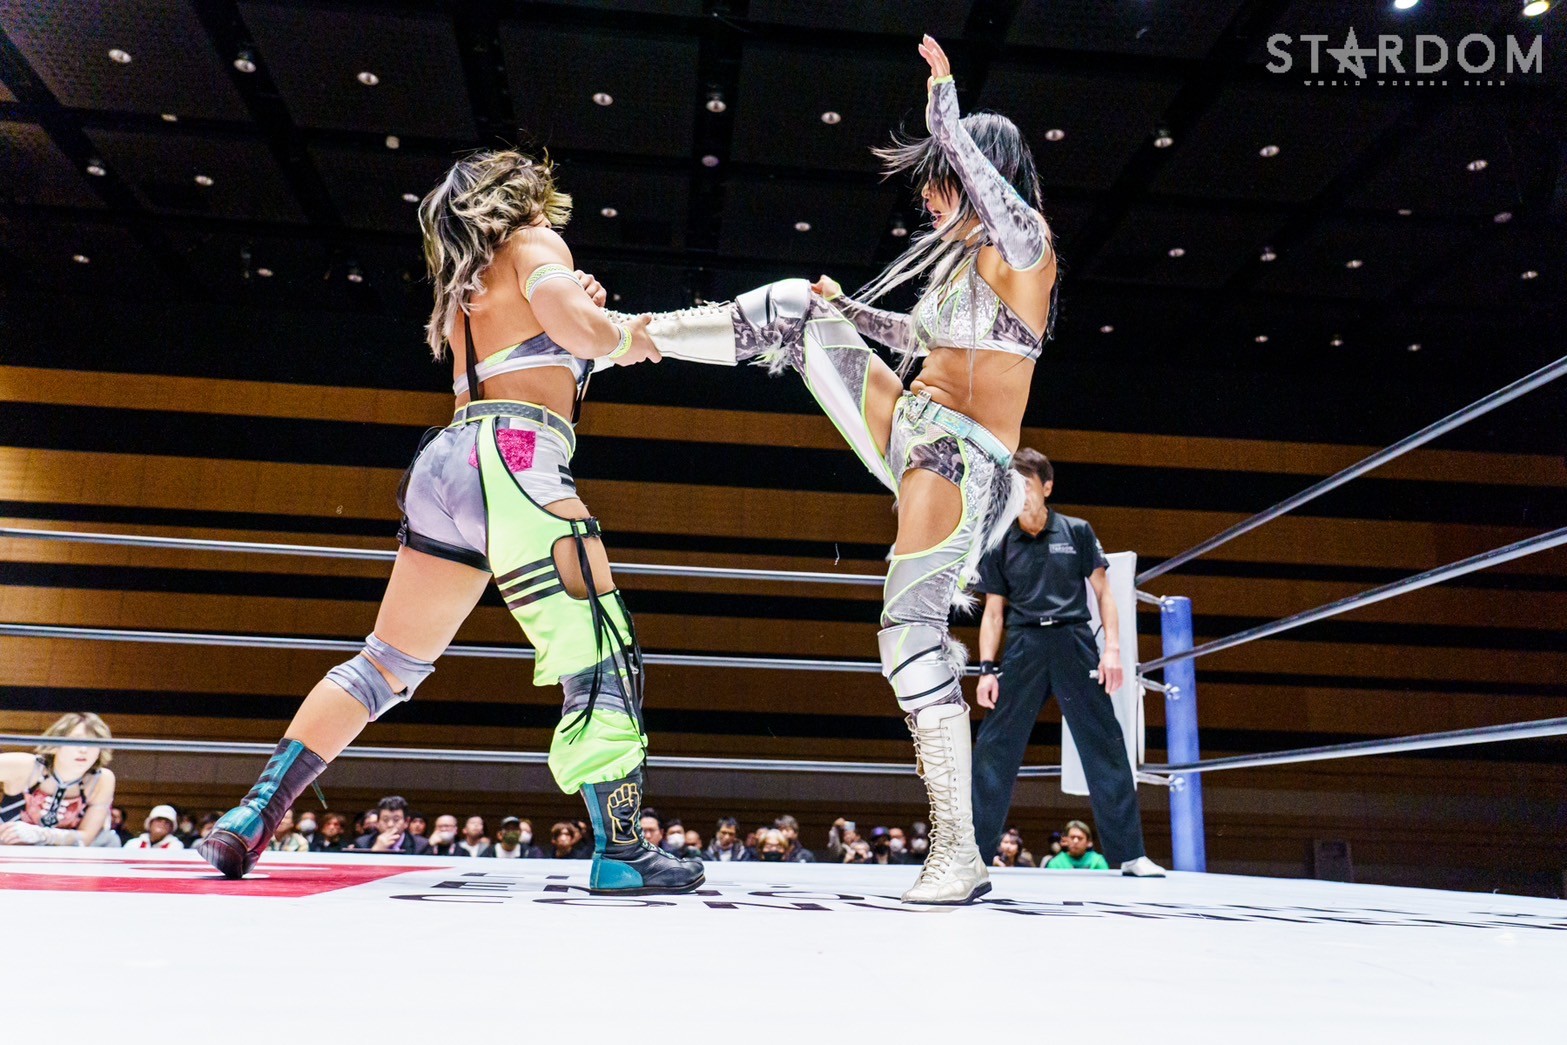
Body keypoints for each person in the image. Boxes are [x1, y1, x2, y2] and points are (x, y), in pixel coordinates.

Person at [193, 149, 701, 896]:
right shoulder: (536, 244)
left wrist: (595, 321)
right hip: (517, 456)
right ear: (526, 196)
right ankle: (622, 847)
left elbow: (560, 344)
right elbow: (592, 338)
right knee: (599, 646)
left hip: (446, 464)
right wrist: (651, 331)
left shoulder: (468, 282)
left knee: (385, 663)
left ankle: (253, 813)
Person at [632, 37, 1051, 905]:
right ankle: (635, 338)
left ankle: (958, 851)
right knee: (794, 304)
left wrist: (945, 110)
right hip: (911, 424)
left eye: (939, 181)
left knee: (909, 634)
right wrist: (845, 311)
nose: (928, 199)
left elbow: (991, 199)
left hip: (955, 458)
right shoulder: (961, 271)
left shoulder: (1026, 249)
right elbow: (915, 341)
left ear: (974, 172)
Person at [970, 449, 1164, 877]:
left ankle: (1130, 854)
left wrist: (1112, 650)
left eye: (1026, 484)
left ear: (1047, 487)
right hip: (1023, 645)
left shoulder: (1076, 531)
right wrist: (986, 669)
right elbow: (993, 612)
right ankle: (975, 854)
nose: (1020, 493)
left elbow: (1105, 594)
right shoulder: (999, 539)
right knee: (993, 747)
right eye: (1012, 485)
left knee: (1104, 743)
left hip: (1073, 642)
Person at [0, 712, 116, 847]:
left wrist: (42, 834)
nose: (84, 749)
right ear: (55, 744)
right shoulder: (26, 766)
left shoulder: (102, 780)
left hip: (61, 859)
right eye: (76, 741)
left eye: (93, 743)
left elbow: (86, 838)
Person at [348, 796, 431, 855]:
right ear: (377, 823)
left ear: (406, 822)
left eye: (396, 820)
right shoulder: (362, 844)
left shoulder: (422, 846)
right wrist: (375, 852)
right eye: (385, 820)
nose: (390, 825)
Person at [1045, 820, 1110, 871]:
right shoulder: (1055, 863)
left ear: (1088, 843)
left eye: (1080, 838)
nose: (1075, 841)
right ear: (1066, 841)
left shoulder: (1097, 862)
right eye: (1072, 837)